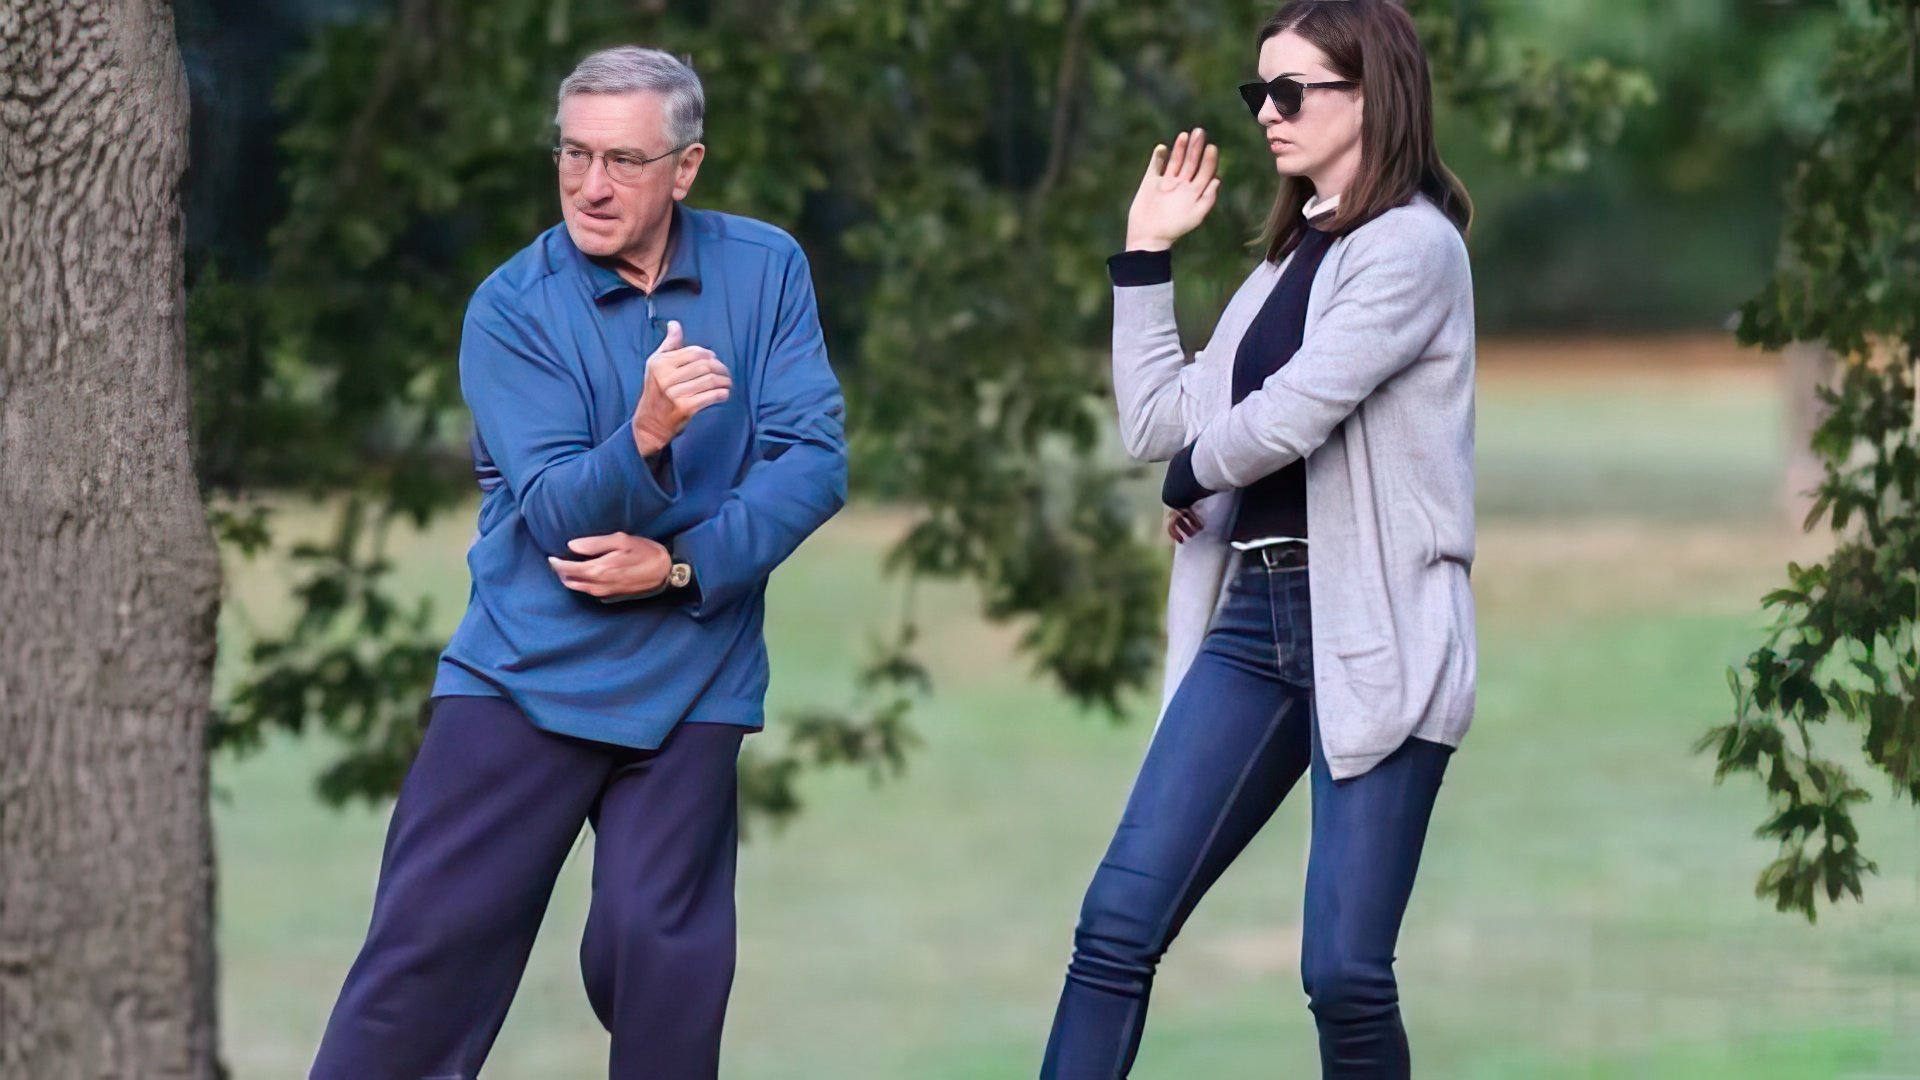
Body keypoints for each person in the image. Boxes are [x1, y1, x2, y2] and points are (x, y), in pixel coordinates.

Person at [309, 45, 847, 1080]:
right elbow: (558, 514)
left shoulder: (765, 266)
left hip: (694, 675)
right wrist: (646, 432)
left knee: (662, 964)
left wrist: (684, 566)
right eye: (574, 155)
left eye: (625, 161)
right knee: (422, 972)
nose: (592, 186)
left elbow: (811, 462)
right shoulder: (512, 308)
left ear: (685, 169)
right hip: (524, 673)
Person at [1041, 1, 1476, 1076]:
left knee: (1344, 975)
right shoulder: (1284, 266)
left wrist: (1200, 473)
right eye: (1257, 94)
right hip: (1255, 625)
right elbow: (1158, 425)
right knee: (1115, 930)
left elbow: (1290, 416)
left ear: (1370, 95)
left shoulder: (1413, 248)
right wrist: (1145, 256)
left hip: (1376, 628)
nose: (1267, 115)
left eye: (1292, 92)